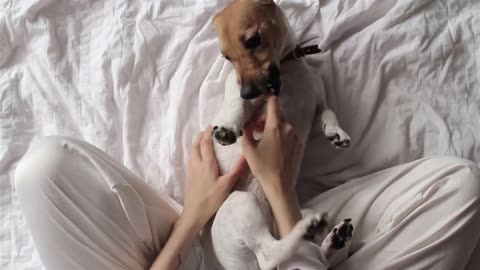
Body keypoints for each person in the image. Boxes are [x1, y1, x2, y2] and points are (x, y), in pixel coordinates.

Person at [14, 96, 480, 270]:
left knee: (43, 171)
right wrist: (280, 189)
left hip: (187, 258)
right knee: (463, 188)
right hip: (292, 244)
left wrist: (194, 215)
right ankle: (297, 241)